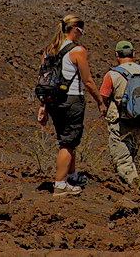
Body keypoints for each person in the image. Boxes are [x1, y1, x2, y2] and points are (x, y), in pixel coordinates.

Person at [36, 14, 102, 197]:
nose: (81, 34)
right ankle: (60, 185)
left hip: (54, 101)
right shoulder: (77, 51)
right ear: (74, 29)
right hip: (72, 99)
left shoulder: (49, 50)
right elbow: (88, 81)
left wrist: (43, 105)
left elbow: (44, 78)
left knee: (68, 140)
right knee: (67, 143)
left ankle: (71, 176)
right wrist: (100, 101)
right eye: (81, 31)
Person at [98, 40, 140, 186]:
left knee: (122, 158)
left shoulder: (112, 75)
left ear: (116, 55)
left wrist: (104, 111)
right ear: (133, 54)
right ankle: (132, 182)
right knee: (133, 152)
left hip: (120, 121)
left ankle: (136, 185)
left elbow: (103, 98)